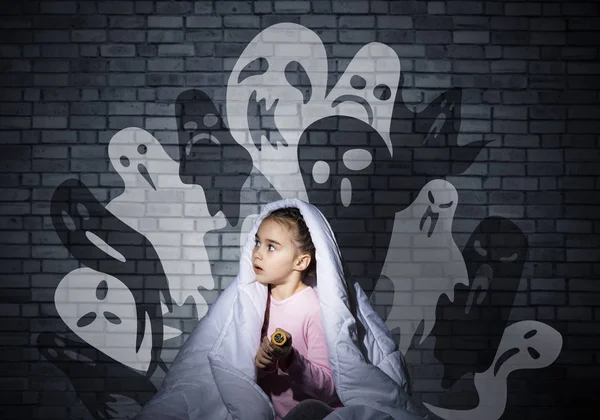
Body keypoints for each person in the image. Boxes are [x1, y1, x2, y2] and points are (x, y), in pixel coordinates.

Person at [252, 207, 343, 420]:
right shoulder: (254, 301)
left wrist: (290, 359)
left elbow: (328, 388)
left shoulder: (314, 309)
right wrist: (262, 364)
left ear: (300, 262)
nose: (257, 253)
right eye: (257, 242)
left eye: (271, 247)